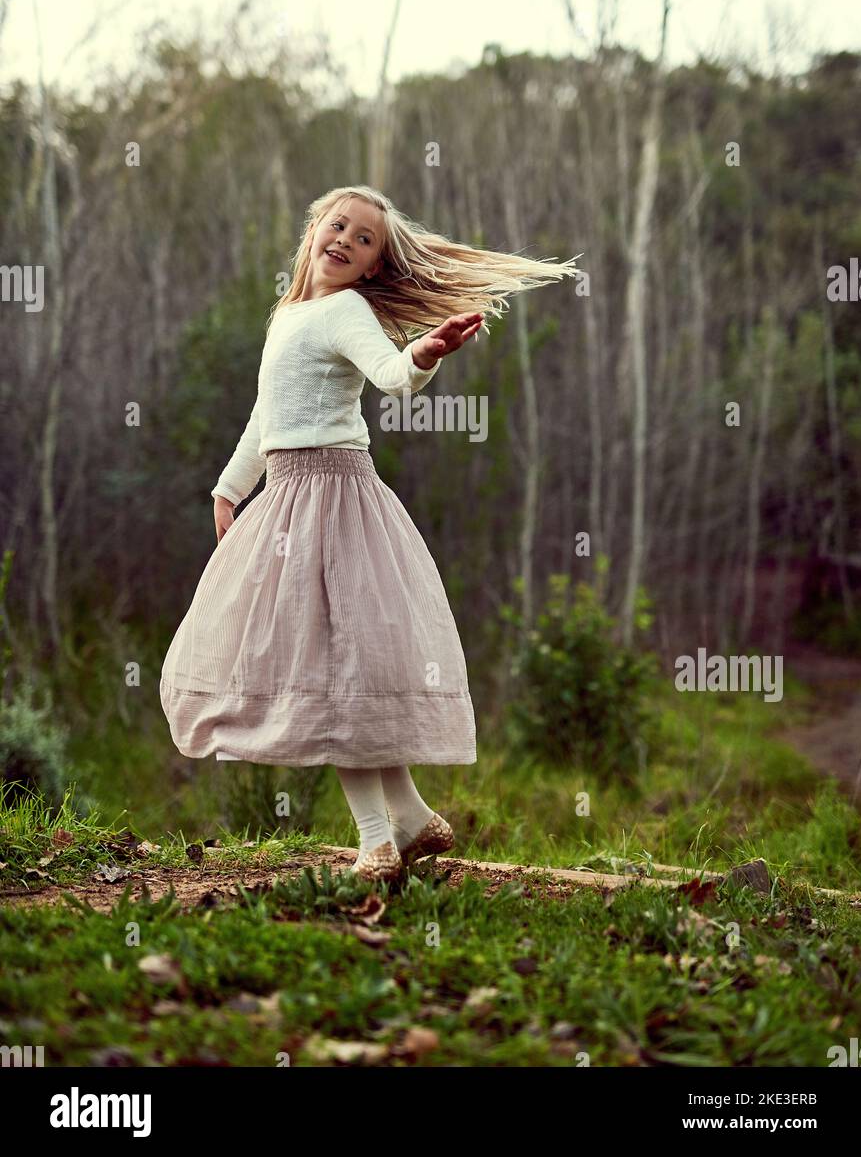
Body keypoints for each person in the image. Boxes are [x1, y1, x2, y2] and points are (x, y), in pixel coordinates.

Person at [159, 184, 581, 882]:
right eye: (339, 225)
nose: (345, 241)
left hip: (333, 499)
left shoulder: (346, 310)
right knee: (332, 669)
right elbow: (266, 418)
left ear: (370, 270)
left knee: (335, 673)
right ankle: (411, 819)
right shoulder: (289, 315)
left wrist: (426, 351)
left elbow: (390, 378)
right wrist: (230, 488)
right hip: (286, 499)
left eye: (363, 242)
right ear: (314, 228)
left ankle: (377, 841)